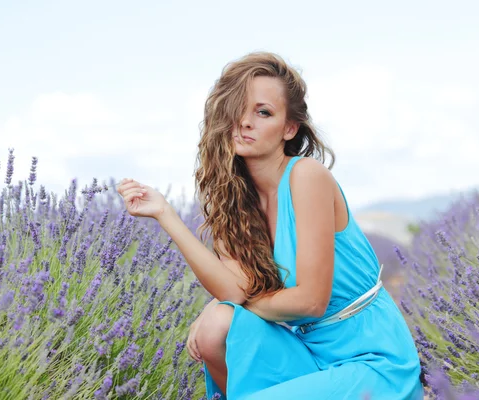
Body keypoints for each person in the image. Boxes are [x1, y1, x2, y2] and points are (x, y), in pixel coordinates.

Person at [116, 51, 424, 400]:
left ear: (289, 128)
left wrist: (232, 305)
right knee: (217, 326)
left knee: (222, 315)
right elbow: (233, 292)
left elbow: (310, 302)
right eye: (238, 110)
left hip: (371, 359)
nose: (246, 122)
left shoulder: (307, 176)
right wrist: (165, 215)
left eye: (263, 112)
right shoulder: (235, 202)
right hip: (308, 352)